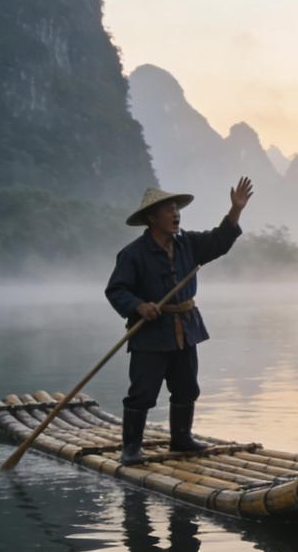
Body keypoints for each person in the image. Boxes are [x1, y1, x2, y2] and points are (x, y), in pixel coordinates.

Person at [106, 177, 254, 465]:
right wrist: (139, 305)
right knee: (143, 392)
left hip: (185, 329)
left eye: (177, 208)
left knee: (187, 387)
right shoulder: (133, 254)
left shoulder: (188, 244)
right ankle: (132, 447)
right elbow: (116, 290)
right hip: (151, 333)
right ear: (151, 217)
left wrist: (236, 209)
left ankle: (181, 439)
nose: (176, 214)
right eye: (168, 210)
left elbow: (220, 240)